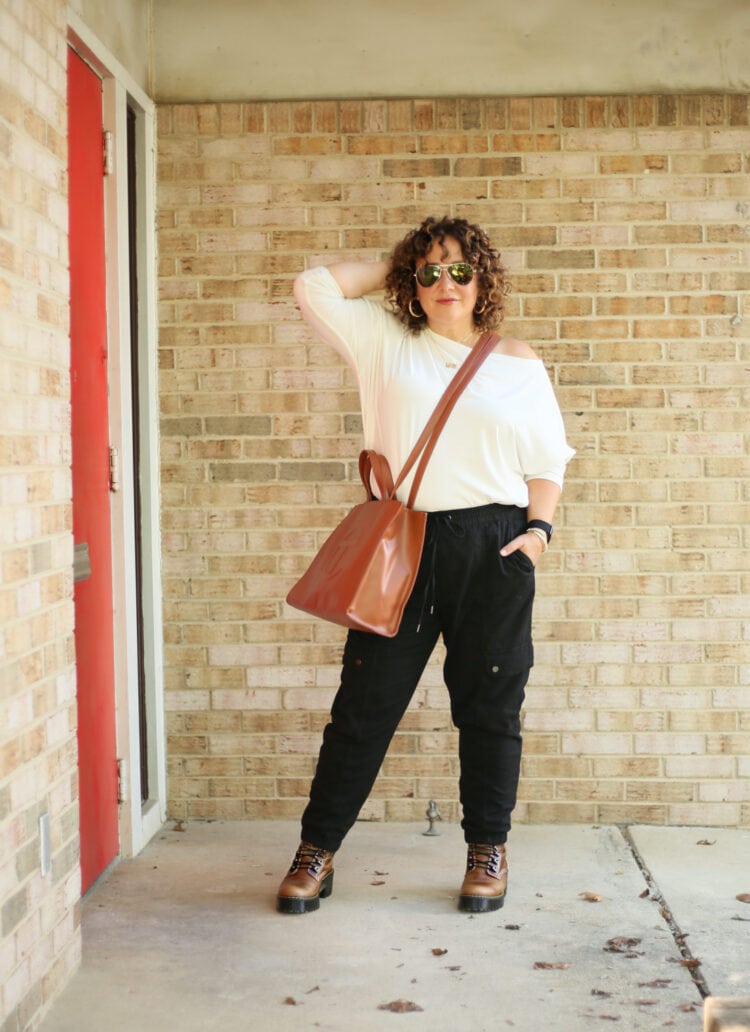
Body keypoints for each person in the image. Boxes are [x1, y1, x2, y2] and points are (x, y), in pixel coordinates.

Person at [277, 215, 574, 915]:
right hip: (402, 547)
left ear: (483, 280)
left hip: (494, 547)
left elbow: (548, 461)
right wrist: (400, 259)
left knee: (490, 708)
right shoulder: (385, 342)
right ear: (413, 281)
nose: (447, 283)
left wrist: (537, 534)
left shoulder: (518, 362)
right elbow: (313, 286)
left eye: (461, 270)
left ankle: (487, 851)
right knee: (363, 708)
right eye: (431, 270)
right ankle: (316, 852)